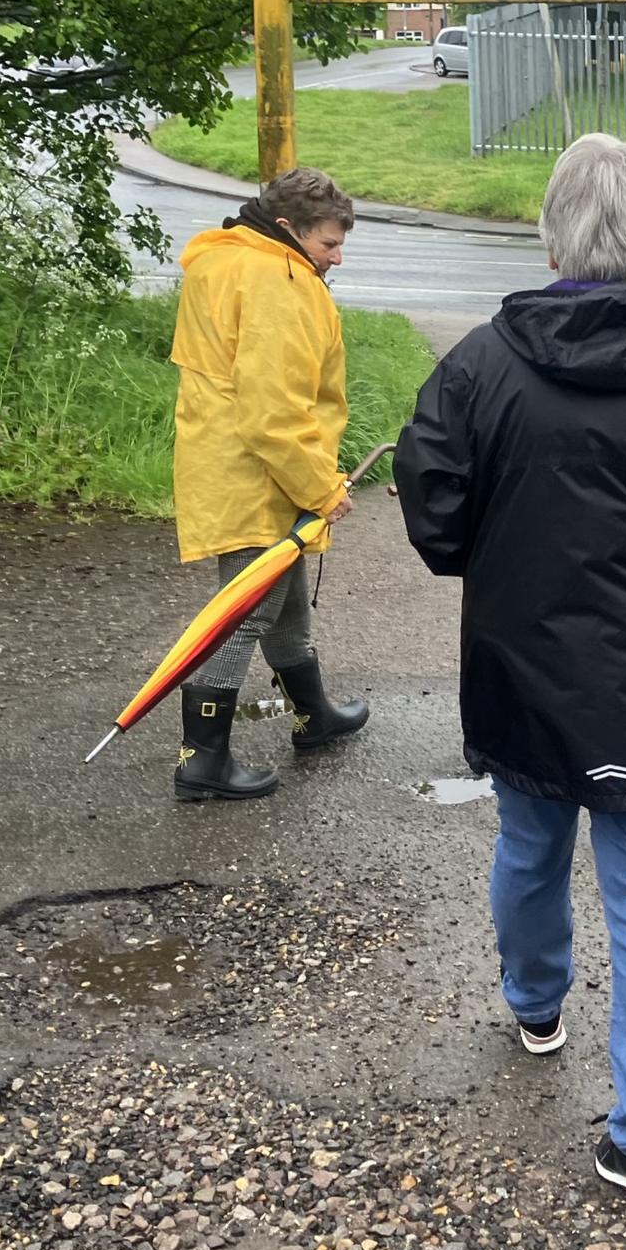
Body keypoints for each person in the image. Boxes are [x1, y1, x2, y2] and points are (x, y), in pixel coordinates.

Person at [394, 132, 626, 1216]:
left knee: (530, 839)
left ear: (551, 227)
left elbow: (437, 524)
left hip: (523, 665)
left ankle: (535, 1000)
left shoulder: (475, 370)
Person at [168, 167, 370, 800]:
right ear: (288, 230)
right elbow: (274, 409)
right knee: (243, 612)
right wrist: (321, 487)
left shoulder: (225, 258)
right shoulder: (276, 281)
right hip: (258, 470)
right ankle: (202, 760)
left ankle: (312, 716)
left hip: (230, 460)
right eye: (328, 245)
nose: (335, 259)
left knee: (281, 597)